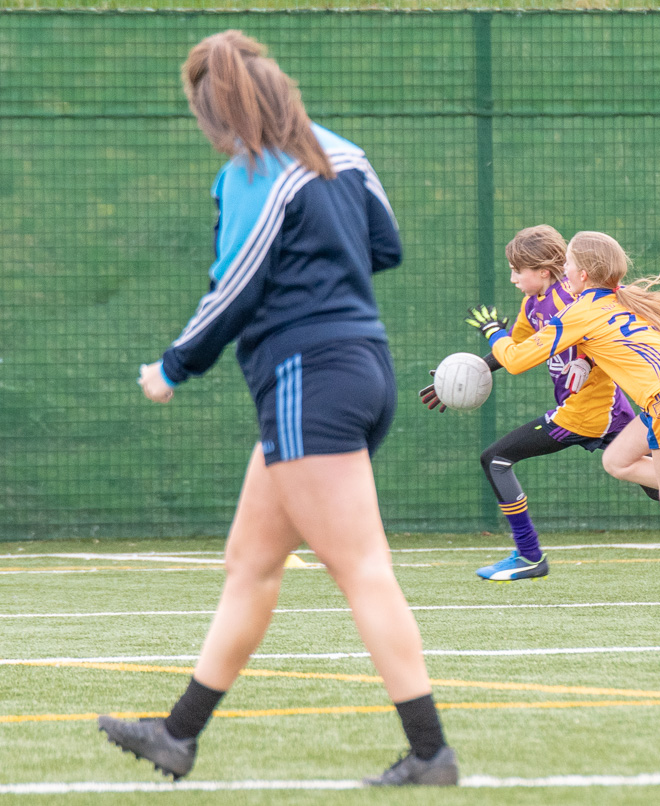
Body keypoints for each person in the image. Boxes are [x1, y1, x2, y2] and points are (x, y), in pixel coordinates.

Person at [96, 30, 457, 786]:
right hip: (361, 367)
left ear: (216, 111)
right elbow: (383, 246)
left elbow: (234, 289)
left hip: (306, 379)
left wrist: (172, 366)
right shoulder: (342, 153)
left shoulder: (252, 174)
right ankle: (177, 735)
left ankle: (430, 754)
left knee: (361, 568)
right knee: (250, 565)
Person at [423, 225, 660, 586]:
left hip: (589, 411)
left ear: (549, 271)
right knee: (653, 481)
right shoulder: (535, 306)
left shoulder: (576, 301)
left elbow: (517, 356)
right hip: (644, 403)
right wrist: (463, 376)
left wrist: (492, 331)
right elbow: (515, 350)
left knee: (497, 459)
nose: (513, 278)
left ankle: (529, 555)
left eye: (518, 270)